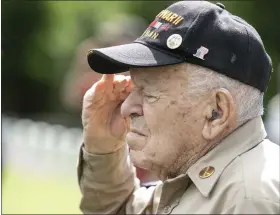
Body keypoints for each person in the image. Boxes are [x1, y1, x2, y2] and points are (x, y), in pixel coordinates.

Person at [78, 1, 280, 214]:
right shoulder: (209, 181)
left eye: (149, 93)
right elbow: (119, 210)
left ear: (216, 112)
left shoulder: (249, 200)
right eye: (132, 88)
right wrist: (104, 145)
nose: (126, 107)